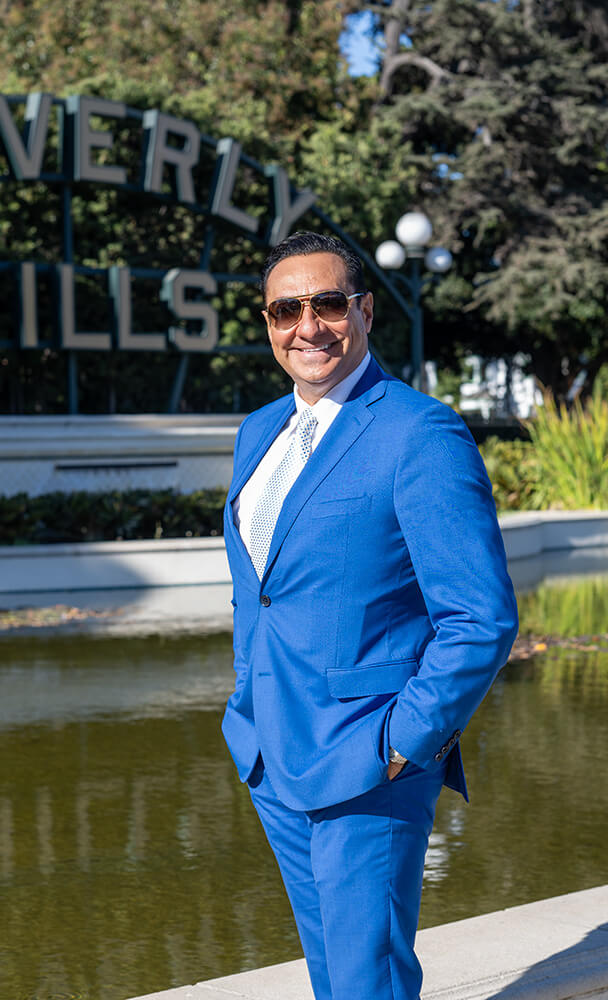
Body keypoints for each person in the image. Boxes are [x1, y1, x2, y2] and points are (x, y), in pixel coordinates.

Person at [221, 231, 518, 1000]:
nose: (308, 326)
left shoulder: (419, 432)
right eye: (287, 309)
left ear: (365, 310)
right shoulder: (260, 432)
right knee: (333, 982)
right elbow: (259, 588)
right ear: (268, 322)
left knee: (367, 985)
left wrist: (404, 742)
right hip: (269, 751)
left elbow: (480, 619)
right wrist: (245, 700)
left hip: (367, 762)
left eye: (328, 303)